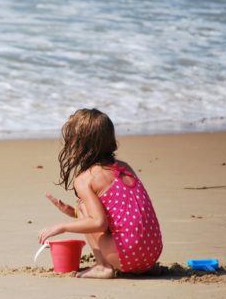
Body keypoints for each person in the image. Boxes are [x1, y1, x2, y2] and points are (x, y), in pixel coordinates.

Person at [38, 108, 162, 279]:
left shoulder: (85, 179)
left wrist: (62, 226)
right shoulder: (124, 167)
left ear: (80, 144)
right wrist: (73, 212)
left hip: (128, 257)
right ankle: (134, 265)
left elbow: (99, 223)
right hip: (152, 253)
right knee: (81, 208)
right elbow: (123, 213)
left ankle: (103, 267)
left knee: (83, 206)